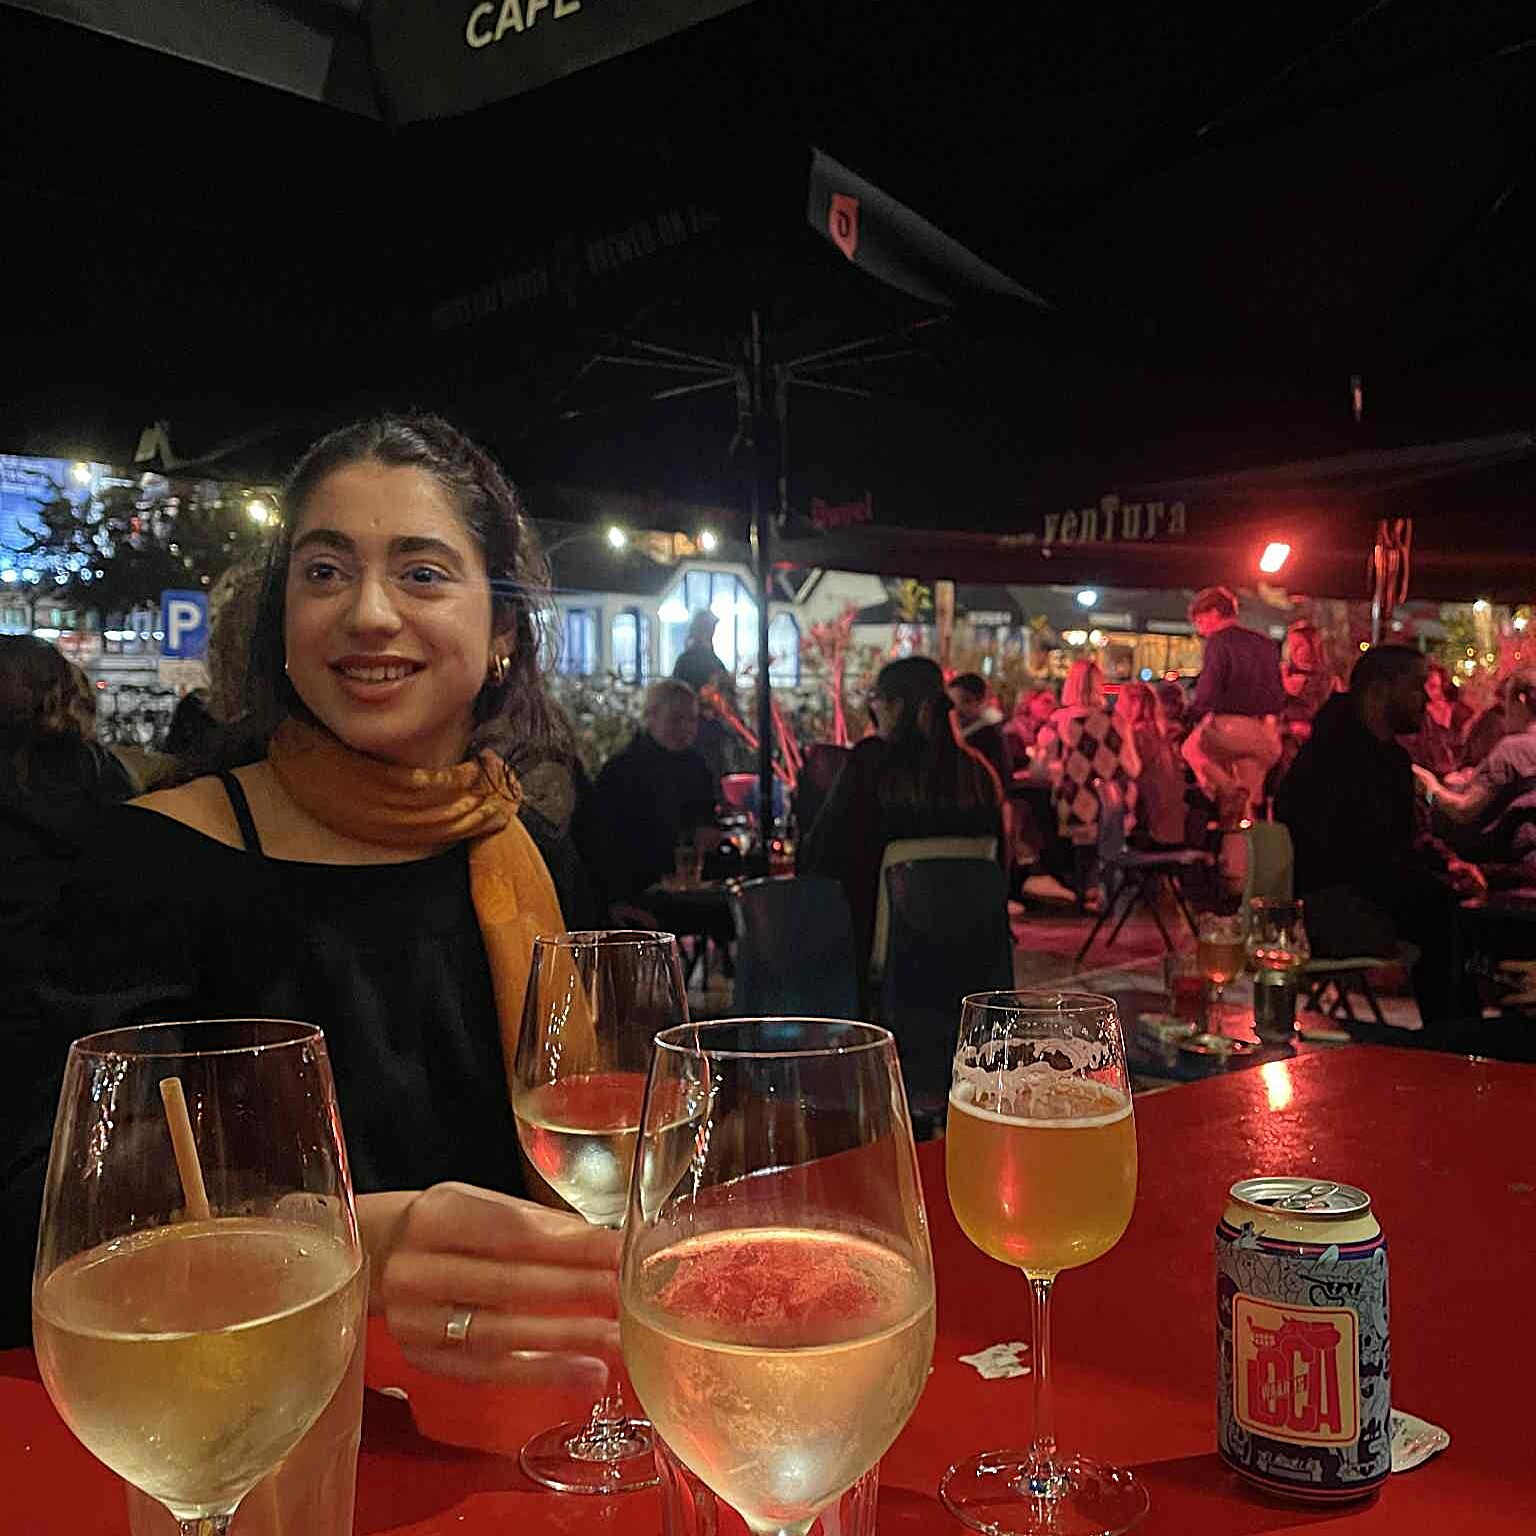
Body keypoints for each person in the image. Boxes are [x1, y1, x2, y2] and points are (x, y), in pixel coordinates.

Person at [3, 416, 617, 1377]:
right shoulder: (160, 857)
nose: (368, 613)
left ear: (501, 629)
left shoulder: (528, 852)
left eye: (421, 572)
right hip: (249, 1413)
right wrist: (345, 1246)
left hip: (527, 1400)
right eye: (325, 572)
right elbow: (39, 1218)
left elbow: (608, 1122)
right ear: (279, 622)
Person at [1275, 645, 1484, 1041]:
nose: (1425, 699)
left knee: (1454, 911)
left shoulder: (1390, 760)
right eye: (1416, 687)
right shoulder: (1330, 757)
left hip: (1377, 894)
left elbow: (1404, 840)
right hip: (1331, 907)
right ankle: (1456, 1043)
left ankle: (1458, 1040)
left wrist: (1449, 864)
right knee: (1442, 917)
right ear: (1380, 690)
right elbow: (1350, 851)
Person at [801, 656, 1003, 972]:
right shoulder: (977, 773)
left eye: (875, 701)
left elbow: (822, 856)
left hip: (878, 943)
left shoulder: (871, 764)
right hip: (967, 944)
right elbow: (999, 867)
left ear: (894, 706)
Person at [575, 677, 720, 920]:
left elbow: (706, 820)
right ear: (651, 717)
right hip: (637, 890)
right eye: (676, 720)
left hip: (691, 887)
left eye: (692, 720)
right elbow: (602, 844)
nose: (685, 728)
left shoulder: (698, 768)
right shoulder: (622, 771)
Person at [1412, 667, 1536, 887]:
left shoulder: (1512, 749)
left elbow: (1463, 811)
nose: (1503, 712)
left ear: (1521, 699)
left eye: (1505, 704)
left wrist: (1429, 786)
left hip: (1502, 867)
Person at [1036, 658, 1139, 906]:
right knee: (1109, 853)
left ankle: (1084, 896)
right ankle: (1105, 896)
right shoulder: (1118, 720)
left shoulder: (1057, 721)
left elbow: (1042, 768)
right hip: (1113, 803)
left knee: (1082, 856)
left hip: (1075, 803)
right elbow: (1133, 767)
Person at [1181, 585, 1285, 826]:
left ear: (1215, 613)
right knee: (1245, 813)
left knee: (1191, 750)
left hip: (1231, 728)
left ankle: (1228, 790)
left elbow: (1208, 691)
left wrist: (1189, 717)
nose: (1200, 629)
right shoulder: (1265, 643)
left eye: (1200, 621)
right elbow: (1278, 693)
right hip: (1268, 734)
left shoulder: (1218, 642)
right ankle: (1251, 858)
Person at [1115, 681, 1185, 848]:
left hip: (1148, 827)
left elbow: (1132, 772)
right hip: (1174, 827)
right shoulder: (1163, 737)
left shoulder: (1136, 735)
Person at [1399, 659, 1472, 777]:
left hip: (1462, 776)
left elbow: (1470, 748)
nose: (1437, 692)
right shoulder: (1414, 718)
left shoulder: (1460, 712)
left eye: (1438, 686)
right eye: (1431, 686)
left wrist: (1468, 769)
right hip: (1432, 781)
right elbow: (1411, 759)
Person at [947, 671, 1009, 785]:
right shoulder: (971, 731)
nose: (954, 710)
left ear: (979, 702)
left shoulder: (985, 736)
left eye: (964, 702)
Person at [1002, 686, 1057, 775]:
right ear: (1030, 701)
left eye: (1053, 704)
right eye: (1046, 701)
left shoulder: (1047, 731)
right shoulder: (1012, 729)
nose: (1051, 707)